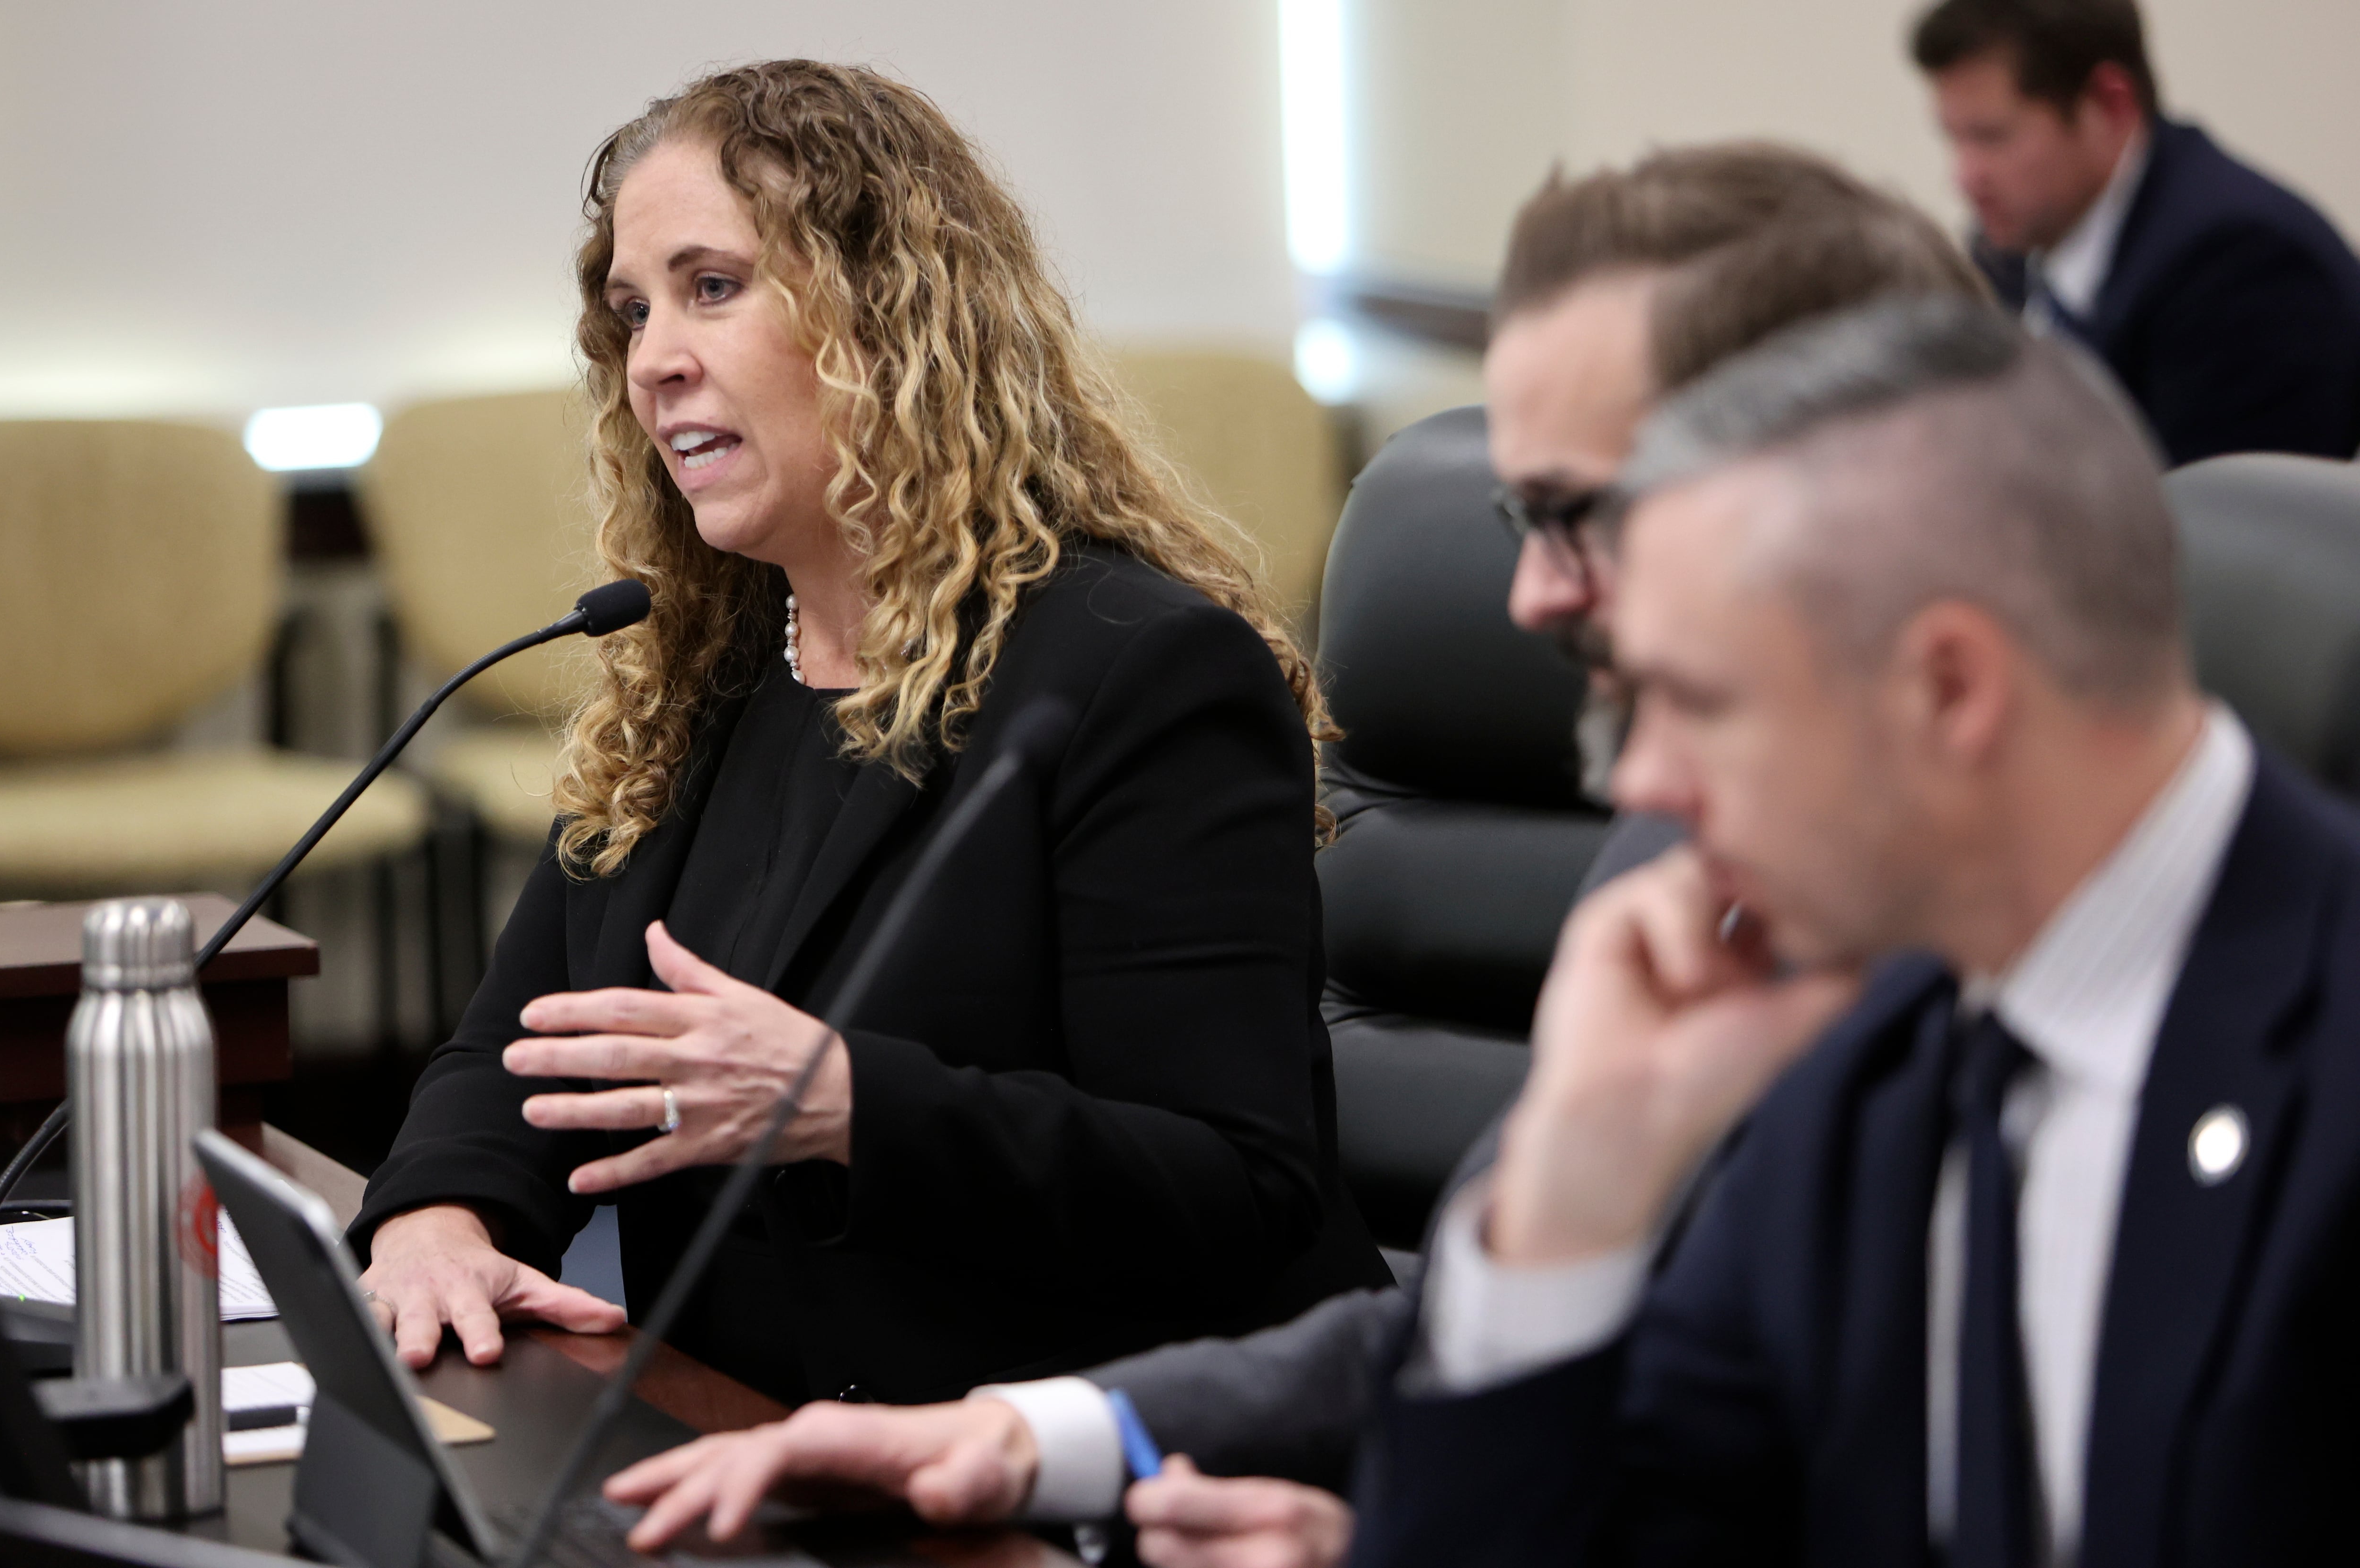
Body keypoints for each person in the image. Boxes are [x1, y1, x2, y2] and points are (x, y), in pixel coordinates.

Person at [597, 145, 1990, 1566]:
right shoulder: (1693, 857)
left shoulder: (2134, 1033)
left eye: (1575, 512)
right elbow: (1473, 1343)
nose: (1526, 594)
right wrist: (1049, 1436)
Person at [345, 59, 1393, 1409]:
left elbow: (1233, 1186)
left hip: (1085, 1460)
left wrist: (846, 1100)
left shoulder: (1140, 672)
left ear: (889, 315)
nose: (654, 357)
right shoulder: (701, 677)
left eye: (712, 288)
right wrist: (440, 1223)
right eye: (631, 310)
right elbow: (518, 1055)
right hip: (741, 1441)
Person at [1345, 295, 2360, 1567]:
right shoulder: (1854, 1066)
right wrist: (1572, 1184)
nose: (1642, 783)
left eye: (1692, 702)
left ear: (1949, 689)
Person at [1912, 0, 2360, 465]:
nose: (1964, 178)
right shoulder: (2011, 243)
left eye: (1991, 137)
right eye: (1952, 137)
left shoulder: (2245, 268)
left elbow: (2219, 526)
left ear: (2111, 102)